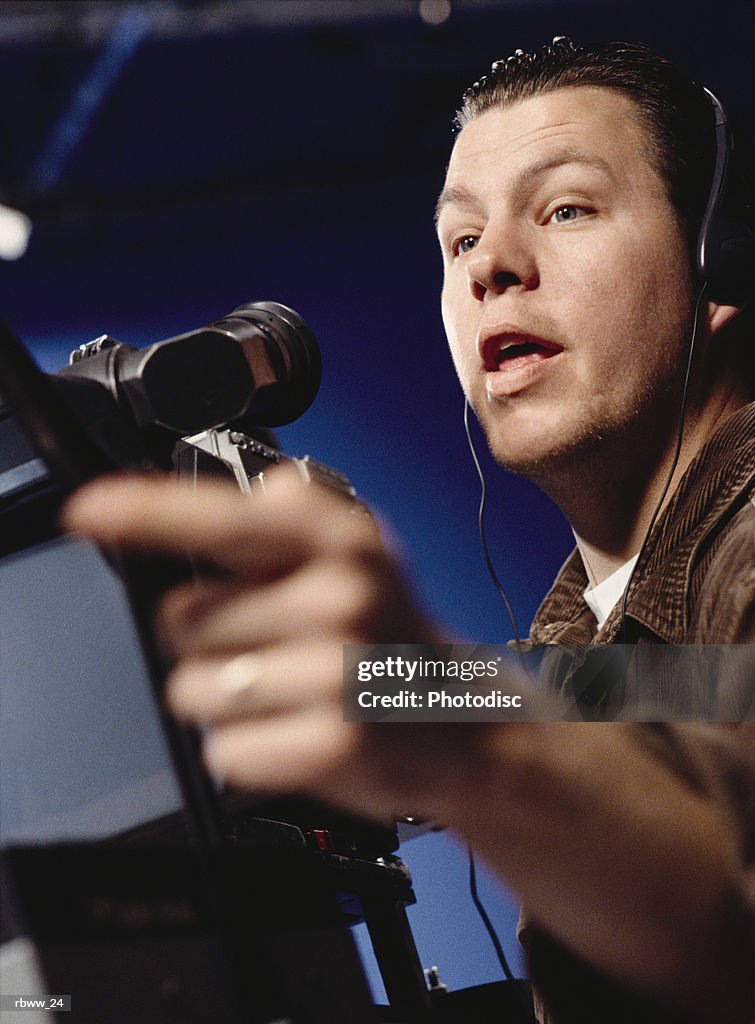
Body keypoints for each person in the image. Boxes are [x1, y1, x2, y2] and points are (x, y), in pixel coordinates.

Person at [62, 38, 754, 1024]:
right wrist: (367, 684)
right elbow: (619, 689)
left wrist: (473, 753)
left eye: (565, 208)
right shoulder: (583, 626)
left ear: (717, 259)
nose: (492, 268)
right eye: (460, 240)